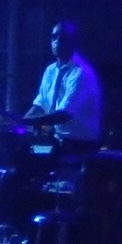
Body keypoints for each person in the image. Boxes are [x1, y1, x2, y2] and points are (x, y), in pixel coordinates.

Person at [25, 21, 102, 153]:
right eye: (54, 37)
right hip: (56, 141)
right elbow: (39, 105)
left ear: (74, 42)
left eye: (63, 38)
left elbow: (64, 114)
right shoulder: (50, 70)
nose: (57, 41)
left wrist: (30, 122)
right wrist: (18, 125)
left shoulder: (81, 72)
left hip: (79, 146)